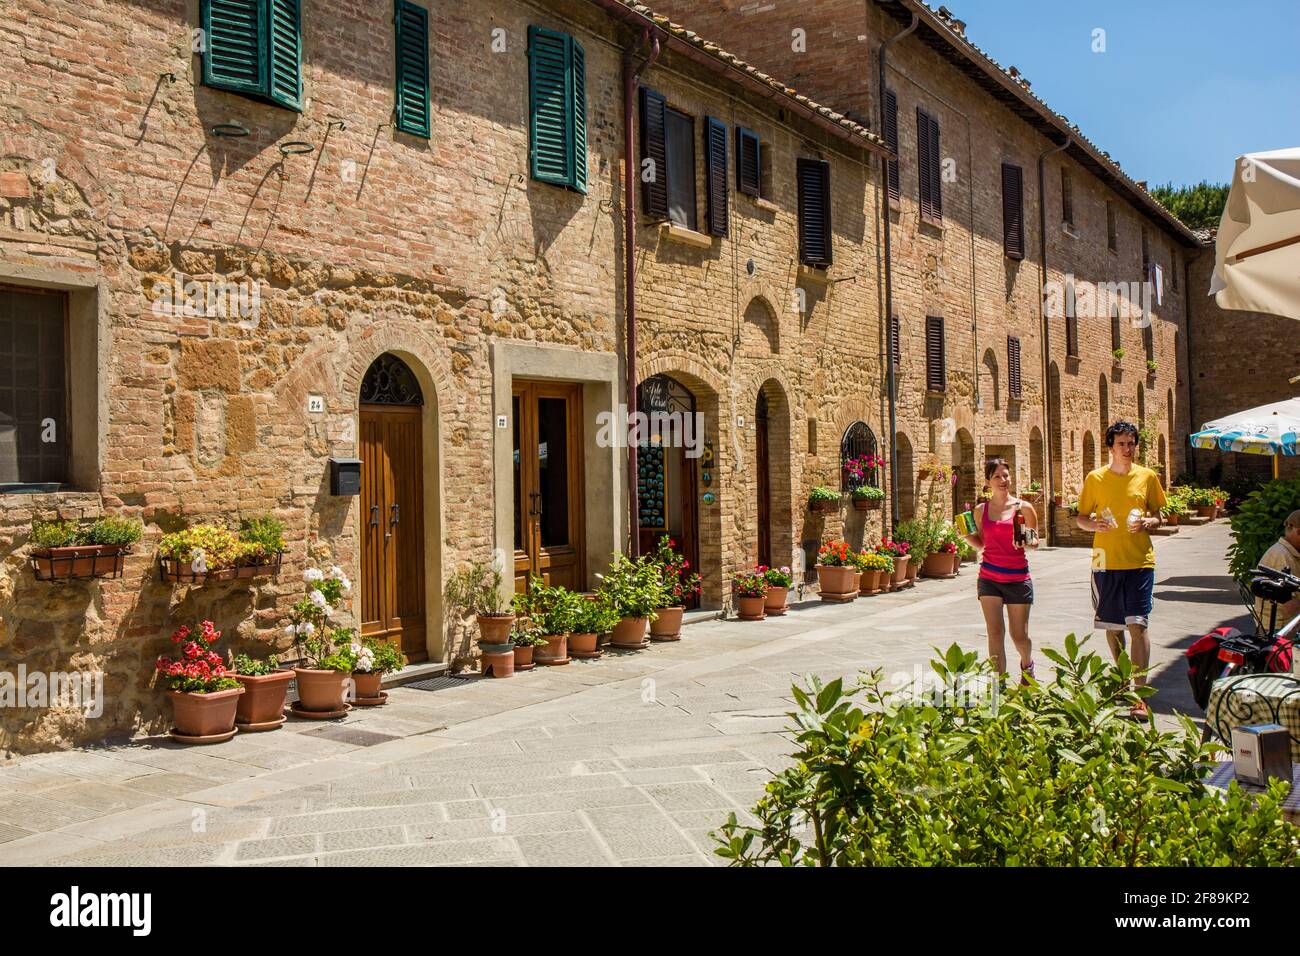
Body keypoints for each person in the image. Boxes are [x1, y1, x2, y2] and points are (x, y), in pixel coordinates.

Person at [1076, 421, 1166, 719]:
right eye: (1122, 444)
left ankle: (1141, 697)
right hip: (1104, 561)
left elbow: (1160, 514)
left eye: (1131, 444)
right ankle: (1123, 681)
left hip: (1140, 560)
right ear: (1111, 447)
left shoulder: (1148, 477)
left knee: (1138, 624)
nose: (1127, 449)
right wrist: (1094, 524)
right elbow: (1081, 518)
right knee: (1113, 627)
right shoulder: (1095, 478)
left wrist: (1151, 523)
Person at [962, 458, 1039, 684]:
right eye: (997, 476)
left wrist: (1027, 541)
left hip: (1017, 578)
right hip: (989, 578)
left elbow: (1035, 541)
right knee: (995, 633)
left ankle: (1027, 664)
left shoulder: (1024, 508)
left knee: (1019, 636)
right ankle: (999, 684)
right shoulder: (980, 511)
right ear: (988, 482)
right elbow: (982, 544)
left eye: (1006, 475)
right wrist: (966, 535)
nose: (1003, 480)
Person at [1255, 510, 1300, 629]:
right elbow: (1289, 605)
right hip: (1278, 628)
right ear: (1299, 532)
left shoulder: (1291, 553)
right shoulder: (1281, 556)